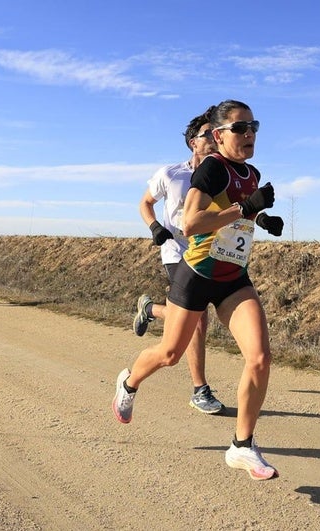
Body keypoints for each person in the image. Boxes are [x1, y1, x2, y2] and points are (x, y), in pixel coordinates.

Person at [113, 100, 285, 480]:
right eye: (240, 128)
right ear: (219, 135)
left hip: (234, 277)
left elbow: (243, 211)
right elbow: (191, 224)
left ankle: (242, 446)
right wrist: (244, 209)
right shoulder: (211, 168)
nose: (249, 133)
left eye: (254, 125)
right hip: (198, 273)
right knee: (170, 353)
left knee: (259, 358)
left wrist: (262, 217)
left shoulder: (251, 173)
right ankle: (129, 381)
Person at [133, 110, 224, 415]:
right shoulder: (171, 174)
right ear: (192, 142)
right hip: (177, 252)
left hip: (211, 252)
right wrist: (155, 227)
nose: (214, 139)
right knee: (198, 319)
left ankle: (149, 309)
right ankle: (200, 389)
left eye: (218, 133)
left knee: (183, 317)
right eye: (207, 134)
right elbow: (145, 202)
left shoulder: (224, 174)